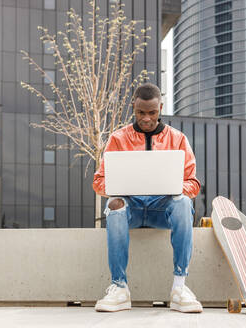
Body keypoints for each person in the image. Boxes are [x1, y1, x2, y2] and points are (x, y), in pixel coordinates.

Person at [92, 83, 203, 313]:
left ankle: (180, 287)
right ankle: (119, 287)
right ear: (134, 106)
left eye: (152, 113)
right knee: (114, 204)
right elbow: (98, 181)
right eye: (141, 112)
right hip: (130, 209)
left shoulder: (178, 139)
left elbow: (193, 183)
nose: (146, 118)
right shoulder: (118, 139)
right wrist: (118, 187)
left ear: (160, 108)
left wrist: (173, 187)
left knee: (183, 202)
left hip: (162, 210)